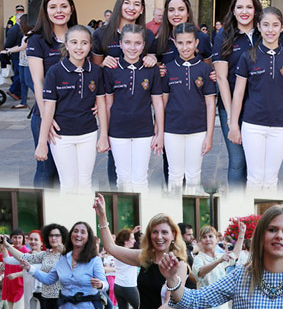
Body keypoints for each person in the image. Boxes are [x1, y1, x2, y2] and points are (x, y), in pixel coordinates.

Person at [229, 7, 283, 190]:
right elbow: (238, 93)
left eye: (275, 25)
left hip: (281, 125)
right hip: (253, 125)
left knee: (271, 179)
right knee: (255, 178)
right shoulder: (248, 57)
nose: (270, 30)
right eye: (266, 25)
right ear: (258, 26)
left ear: (282, 26)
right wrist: (234, 124)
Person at [35, 25, 108, 189]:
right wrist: (41, 142)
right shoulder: (55, 72)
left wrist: (103, 135)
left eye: (84, 43)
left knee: (85, 182)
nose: (79, 47)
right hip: (62, 137)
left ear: (90, 46)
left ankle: (84, 215)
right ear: (66, 45)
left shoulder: (96, 72)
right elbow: (48, 108)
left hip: (88, 134)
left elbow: (101, 104)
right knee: (68, 183)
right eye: (74, 42)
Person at [103, 23, 164, 191]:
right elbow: (108, 104)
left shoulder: (150, 69)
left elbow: (158, 102)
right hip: (117, 131)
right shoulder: (111, 69)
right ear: (120, 44)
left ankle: (140, 214)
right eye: (128, 42)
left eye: (137, 43)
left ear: (144, 45)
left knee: (140, 178)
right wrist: (104, 133)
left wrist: (160, 133)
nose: (132, 47)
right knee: (122, 178)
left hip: (143, 131)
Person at [212, 0, 263, 186]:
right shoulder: (223, 36)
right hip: (231, 106)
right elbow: (222, 78)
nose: (244, 11)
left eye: (249, 7)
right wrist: (231, 117)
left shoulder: (262, 34)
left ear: (255, 10)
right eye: (240, 7)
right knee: (237, 161)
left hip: (257, 108)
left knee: (254, 163)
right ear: (233, 10)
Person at [162, 23, 216, 190]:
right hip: (172, 131)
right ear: (175, 43)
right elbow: (162, 102)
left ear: (196, 43)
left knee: (193, 175)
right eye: (180, 43)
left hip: (198, 131)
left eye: (189, 43)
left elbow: (210, 103)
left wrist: (209, 135)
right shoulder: (168, 70)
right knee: (175, 174)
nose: (185, 47)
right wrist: (159, 130)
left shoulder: (205, 69)